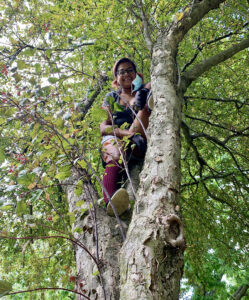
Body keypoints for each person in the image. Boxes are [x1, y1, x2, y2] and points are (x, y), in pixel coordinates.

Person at [100, 58, 151, 216]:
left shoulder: (144, 88)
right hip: (118, 138)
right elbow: (103, 127)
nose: (126, 74)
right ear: (116, 78)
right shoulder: (111, 97)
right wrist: (124, 133)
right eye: (121, 72)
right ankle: (111, 202)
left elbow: (155, 83)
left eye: (130, 70)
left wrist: (142, 91)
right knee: (114, 152)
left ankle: (146, 103)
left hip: (139, 139)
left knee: (145, 99)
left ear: (136, 74)